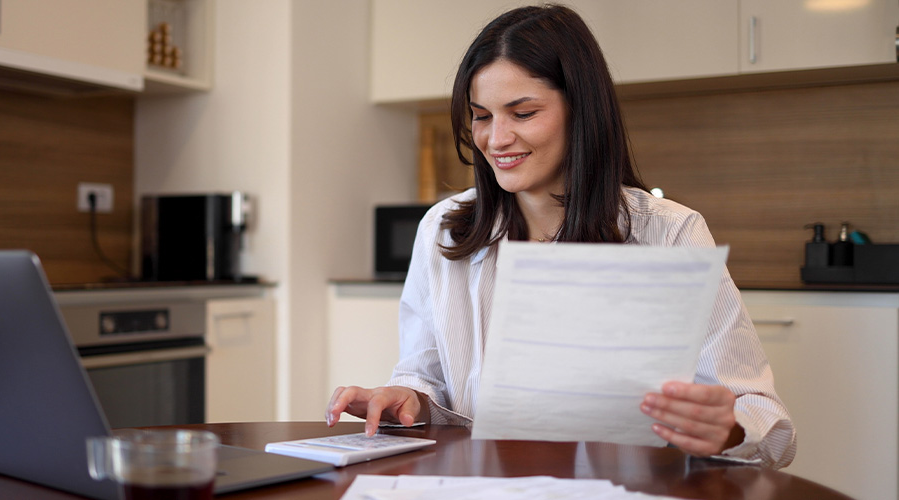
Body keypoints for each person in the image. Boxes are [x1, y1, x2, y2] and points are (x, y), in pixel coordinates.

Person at [326, 4, 796, 468]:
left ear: (581, 110)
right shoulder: (443, 229)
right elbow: (424, 380)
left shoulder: (669, 231)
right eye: (482, 116)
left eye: (523, 112)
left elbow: (771, 430)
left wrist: (728, 429)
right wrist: (405, 398)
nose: (496, 139)